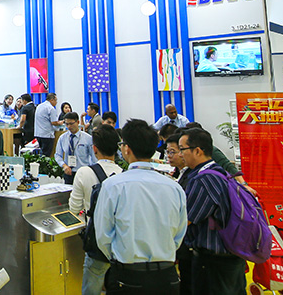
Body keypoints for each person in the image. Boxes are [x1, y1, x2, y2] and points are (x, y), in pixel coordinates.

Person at [94, 119, 187, 295]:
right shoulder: (174, 187)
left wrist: (119, 256)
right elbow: (179, 233)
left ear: (127, 149)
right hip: (166, 275)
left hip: (127, 275)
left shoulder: (113, 185)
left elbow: (103, 235)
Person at [178, 128, 245, 295]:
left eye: (182, 149)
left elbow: (186, 220)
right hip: (230, 254)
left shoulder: (204, 180)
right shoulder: (220, 172)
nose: (180, 154)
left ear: (197, 151)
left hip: (214, 260)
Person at [69, 124, 123, 295]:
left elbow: (74, 208)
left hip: (96, 242)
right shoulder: (124, 174)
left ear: (94, 148)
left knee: (91, 288)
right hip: (121, 242)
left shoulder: (84, 173)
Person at [182, 122, 256, 196]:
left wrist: (243, 184)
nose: (180, 154)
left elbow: (228, 166)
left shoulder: (206, 177)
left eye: (182, 149)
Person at [165, 132, 192, 295]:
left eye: (173, 151)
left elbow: (189, 216)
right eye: (167, 152)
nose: (169, 156)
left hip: (189, 244)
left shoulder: (193, 177)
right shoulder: (179, 174)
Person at [54, 112, 96, 185]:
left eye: (71, 123)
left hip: (83, 173)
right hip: (68, 172)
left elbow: (94, 157)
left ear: (78, 122)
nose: (69, 126)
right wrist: (64, 166)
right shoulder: (62, 138)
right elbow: (57, 155)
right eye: (67, 124)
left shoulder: (87, 138)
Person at [35, 93, 62, 157]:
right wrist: (60, 123)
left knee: (42, 153)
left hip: (38, 134)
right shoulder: (51, 108)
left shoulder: (39, 106)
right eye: (56, 100)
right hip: (47, 134)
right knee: (46, 155)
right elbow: (54, 122)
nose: (56, 102)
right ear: (52, 100)